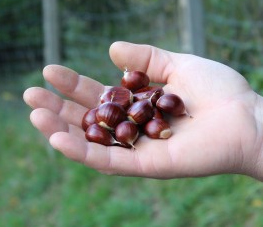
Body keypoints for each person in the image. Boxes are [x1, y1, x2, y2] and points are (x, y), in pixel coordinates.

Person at [23, 41, 263, 181]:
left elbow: (137, 111)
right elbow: (129, 114)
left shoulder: (143, 105)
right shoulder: (132, 109)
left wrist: (253, 125)